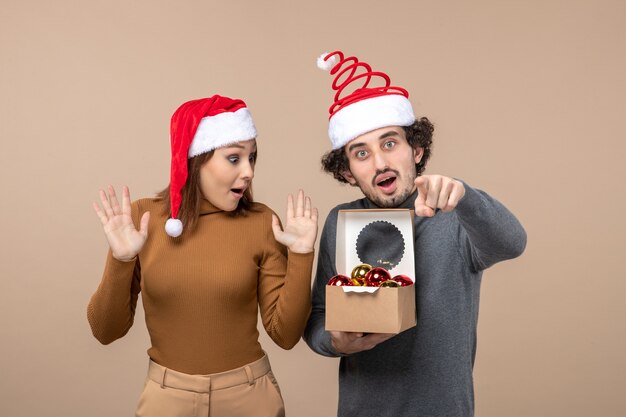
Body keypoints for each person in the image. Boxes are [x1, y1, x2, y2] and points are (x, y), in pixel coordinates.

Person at [303, 51, 527, 417]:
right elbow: (317, 319)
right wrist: (336, 342)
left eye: (390, 144)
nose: (379, 163)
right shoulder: (339, 222)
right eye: (361, 153)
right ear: (347, 172)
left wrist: (465, 196)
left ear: (416, 149)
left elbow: (512, 243)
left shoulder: (453, 213)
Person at [87, 95, 318, 417]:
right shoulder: (142, 220)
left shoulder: (263, 222)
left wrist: (302, 255)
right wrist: (121, 259)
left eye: (252, 158)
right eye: (234, 158)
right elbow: (105, 331)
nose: (249, 171)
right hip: (166, 400)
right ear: (195, 160)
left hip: (250, 398)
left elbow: (286, 335)